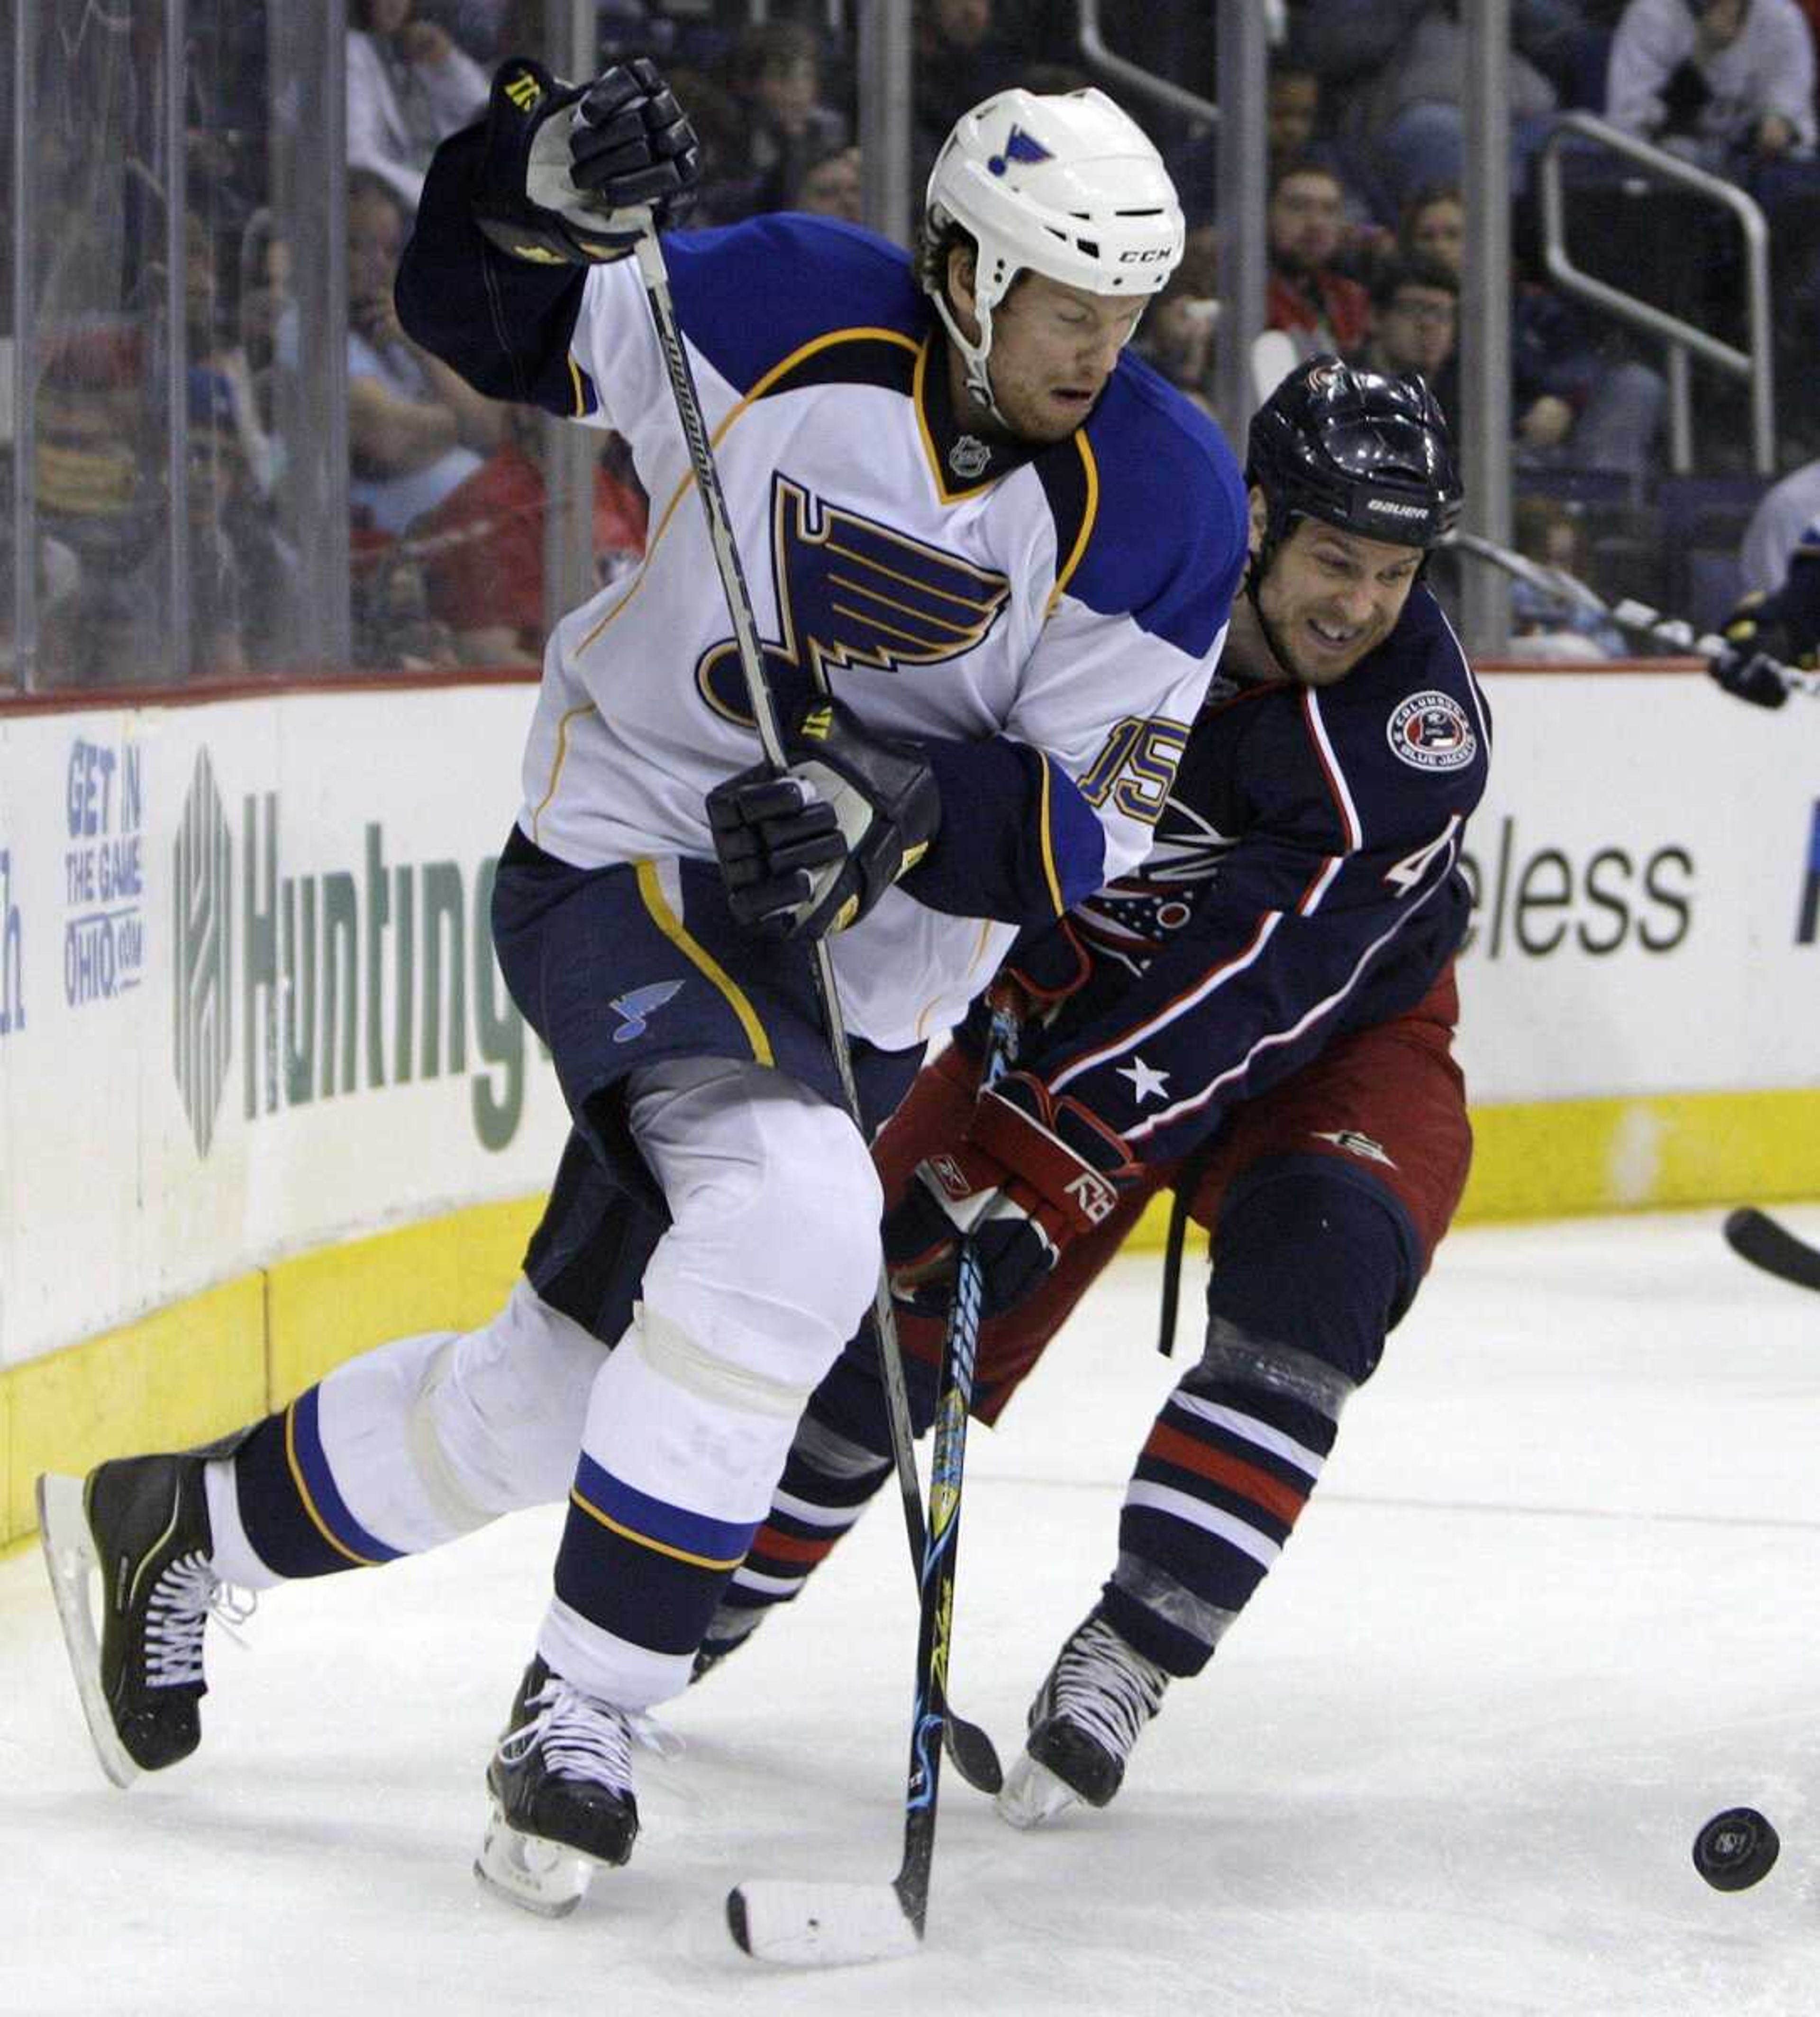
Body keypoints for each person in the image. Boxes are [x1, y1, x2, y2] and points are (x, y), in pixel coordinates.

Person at [37, 64, 1248, 1909]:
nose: (1096, 347)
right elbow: (488, 313)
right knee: (793, 1214)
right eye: (1060, 303)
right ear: (959, 267)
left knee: (542, 1399)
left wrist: (892, 816)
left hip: (850, 975)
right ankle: (584, 1713)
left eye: (1122, 312)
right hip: (628, 851)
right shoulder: (783, 298)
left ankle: (172, 1520)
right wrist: (513, 185)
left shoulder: (1165, 488)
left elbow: (1108, 815)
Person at [691, 357, 1486, 1827]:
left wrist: (1055, 1162)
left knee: (1321, 1286)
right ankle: (682, 1624)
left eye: (1392, 573)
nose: (1360, 606)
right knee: (892, 1327)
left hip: (1336, 1043)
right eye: (1333, 562)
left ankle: (1132, 1651)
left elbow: (1261, 985)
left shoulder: (1409, 729)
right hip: (1069, 1011)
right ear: (1256, 524)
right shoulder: (1123, 577)